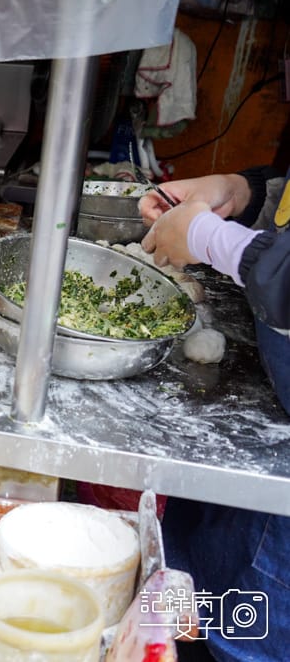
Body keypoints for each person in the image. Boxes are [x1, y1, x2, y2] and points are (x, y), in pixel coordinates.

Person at [140, 167, 289, 661]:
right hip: (265, 423)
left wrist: (214, 239)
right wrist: (243, 192)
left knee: (248, 639)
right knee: (187, 609)